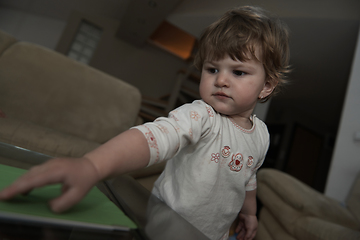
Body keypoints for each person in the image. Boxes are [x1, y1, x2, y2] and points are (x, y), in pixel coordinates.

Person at [0, 6, 290, 240]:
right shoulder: (202, 115)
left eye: (238, 72)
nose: (221, 79)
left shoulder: (261, 135)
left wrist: (250, 214)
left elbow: (248, 177)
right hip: (163, 224)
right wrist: (93, 165)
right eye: (212, 69)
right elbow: (155, 136)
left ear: (267, 85)